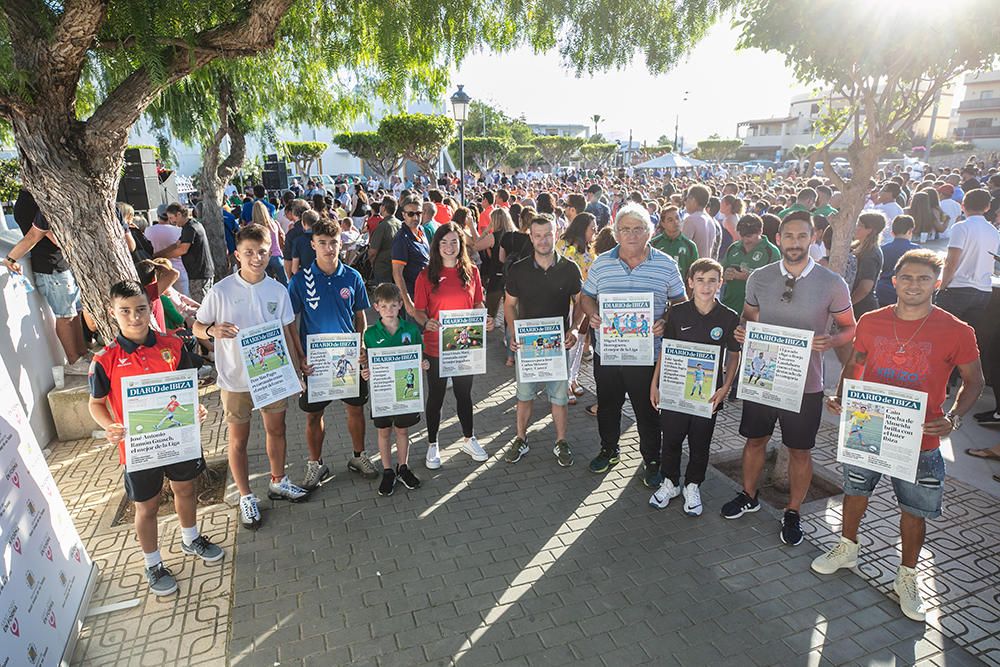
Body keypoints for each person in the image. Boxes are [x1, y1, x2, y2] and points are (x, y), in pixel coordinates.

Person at [813, 249, 984, 622]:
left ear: (936, 284)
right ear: (895, 281)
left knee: (913, 509)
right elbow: (855, 364)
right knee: (855, 491)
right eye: (906, 277)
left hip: (919, 436)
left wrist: (953, 420)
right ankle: (847, 548)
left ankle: (907, 576)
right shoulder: (872, 321)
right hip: (868, 425)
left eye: (923, 279)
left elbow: (974, 382)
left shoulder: (957, 330)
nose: (913, 285)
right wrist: (842, 397)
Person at [722, 210, 856, 546]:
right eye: (789, 236)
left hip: (805, 384)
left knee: (799, 450)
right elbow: (749, 317)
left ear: (813, 238)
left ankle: (793, 510)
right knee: (754, 440)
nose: (795, 243)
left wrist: (832, 340)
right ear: (778, 239)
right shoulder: (760, 278)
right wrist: (743, 332)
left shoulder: (832, 283)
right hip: (762, 376)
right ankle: (749, 495)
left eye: (802, 236)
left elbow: (850, 328)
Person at [89, 280, 222, 596]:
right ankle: (153, 564)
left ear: (151, 308)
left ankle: (190, 538)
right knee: (146, 506)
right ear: (112, 313)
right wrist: (109, 425)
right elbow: (96, 404)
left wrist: (197, 408)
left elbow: (188, 388)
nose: (134, 317)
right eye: (125, 311)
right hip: (138, 447)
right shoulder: (104, 359)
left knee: (185, 488)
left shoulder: (173, 345)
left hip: (177, 439)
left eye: (140, 309)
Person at [193, 224, 309, 530]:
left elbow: (288, 330)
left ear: (270, 250)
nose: (256, 258)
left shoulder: (278, 290)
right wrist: (211, 331)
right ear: (237, 255)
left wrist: (296, 371)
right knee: (238, 440)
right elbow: (197, 326)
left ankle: (278, 480)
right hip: (235, 378)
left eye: (262, 251)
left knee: (277, 430)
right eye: (249, 252)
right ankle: (245, 495)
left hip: (271, 376)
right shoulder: (221, 291)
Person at [579, 203, 686, 482]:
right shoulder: (601, 262)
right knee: (608, 406)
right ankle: (609, 450)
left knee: (647, 411)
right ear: (616, 233)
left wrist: (666, 320)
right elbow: (586, 296)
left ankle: (652, 459)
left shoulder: (666, 264)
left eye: (638, 229)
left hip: (647, 355)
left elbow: (681, 302)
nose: (632, 235)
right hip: (609, 352)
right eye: (625, 229)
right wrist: (592, 314)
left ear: (649, 232)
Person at [287, 220, 377, 490]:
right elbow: (290, 322)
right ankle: (316, 463)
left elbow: (361, 316)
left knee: (355, 409)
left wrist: (362, 347)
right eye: (322, 243)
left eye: (333, 242)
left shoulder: (353, 277)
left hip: (347, 358)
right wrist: (300, 356)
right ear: (312, 245)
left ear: (341, 243)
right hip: (315, 362)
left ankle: (359, 456)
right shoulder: (300, 280)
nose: (328, 248)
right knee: (314, 416)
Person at [648, 258, 740, 516]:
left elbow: (734, 354)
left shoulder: (729, 317)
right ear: (690, 282)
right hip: (675, 389)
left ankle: (692, 485)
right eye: (700, 280)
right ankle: (670, 482)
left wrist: (726, 387)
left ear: (720, 283)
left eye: (712, 280)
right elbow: (666, 351)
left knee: (700, 442)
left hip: (709, 393)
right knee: (672, 438)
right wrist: (655, 383)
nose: (706, 286)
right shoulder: (677, 314)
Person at [503, 215, 584, 466]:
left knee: (559, 398)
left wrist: (574, 327)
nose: (543, 240)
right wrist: (514, 332)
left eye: (547, 234)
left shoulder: (570, 268)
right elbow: (509, 305)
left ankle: (561, 441)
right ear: (531, 237)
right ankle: (521, 438)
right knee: (524, 396)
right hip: (528, 346)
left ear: (556, 234)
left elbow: (579, 301)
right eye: (537, 235)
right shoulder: (518, 269)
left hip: (557, 344)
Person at [414, 223, 493, 469]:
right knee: (436, 397)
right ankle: (432, 444)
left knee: (463, 394)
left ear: (461, 245)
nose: (449, 247)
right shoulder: (426, 275)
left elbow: (478, 303)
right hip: (436, 347)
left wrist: (485, 318)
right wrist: (426, 322)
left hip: (464, 347)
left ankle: (469, 438)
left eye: (454, 242)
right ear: (437, 246)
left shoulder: (471, 272)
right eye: (444, 242)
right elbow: (418, 310)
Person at [5, 190, 89, 373]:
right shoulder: (32, 202)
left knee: (75, 312)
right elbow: (43, 236)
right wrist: (10, 259)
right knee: (66, 315)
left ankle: (82, 352)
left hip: (57, 265)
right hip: (51, 267)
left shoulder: (31, 200)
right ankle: (74, 361)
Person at [361, 283, 428, 496]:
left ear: (400, 305)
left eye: (393, 305)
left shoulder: (410, 330)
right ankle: (388, 470)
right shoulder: (370, 334)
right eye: (384, 306)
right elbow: (367, 362)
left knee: (402, 430)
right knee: (383, 431)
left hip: (404, 391)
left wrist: (422, 364)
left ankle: (403, 467)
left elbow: (419, 355)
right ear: (376, 307)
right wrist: (366, 371)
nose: (389, 310)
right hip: (383, 393)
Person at [937, 189, 999, 329]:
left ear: (963, 205)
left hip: (958, 288)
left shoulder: (961, 227)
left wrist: (942, 287)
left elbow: (951, 262)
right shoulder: (993, 231)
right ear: (987, 207)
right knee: (968, 336)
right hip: (984, 290)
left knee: (945, 332)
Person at [557, 212, 597, 404]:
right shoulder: (564, 245)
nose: (595, 231)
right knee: (569, 342)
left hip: (586, 302)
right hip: (568, 302)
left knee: (580, 342)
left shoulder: (589, 249)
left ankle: (572, 378)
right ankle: (563, 382)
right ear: (582, 228)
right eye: (592, 227)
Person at [720, 214, 779, 315]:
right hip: (729, 306)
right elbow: (720, 273)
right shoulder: (733, 248)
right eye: (742, 236)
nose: (745, 240)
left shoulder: (771, 252)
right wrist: (724, 275)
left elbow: (776, 284)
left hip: (756, 312)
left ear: (760, 231)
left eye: (749, 236)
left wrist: (748, 277)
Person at [156, 203, 215, 302]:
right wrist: (158, 254)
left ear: (179, 214)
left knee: (202, 304)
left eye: (171, 218)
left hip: (199, 273)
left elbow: (182, 249)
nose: (170, 221)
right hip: (201, 272)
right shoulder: (191, 225)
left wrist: (164, 257)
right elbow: (176, 245)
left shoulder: (189, 228)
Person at [391, 194, 431, 317]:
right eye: (410, 214)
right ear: (403, 215)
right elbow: (397, 273)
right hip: (413, 295)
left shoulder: (422, 231)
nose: (415, 217)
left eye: (418, 213)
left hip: (426, 292)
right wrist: (408, 302)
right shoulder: (401, 238)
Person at [875, 215, 919, 307]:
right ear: (910, 231)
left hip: (882, 291)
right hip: (905, 292)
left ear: (892, 232)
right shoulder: (916, 250)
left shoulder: (883, 249)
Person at [651, 205, 699, 283]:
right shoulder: (653, 244)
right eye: (670, 220)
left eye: (677, 218)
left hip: (681, 292)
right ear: (663, 223)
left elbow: (694, 273)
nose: (675, 222)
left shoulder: (690, 246)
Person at [367, 196, 400, 285]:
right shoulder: (399, 223)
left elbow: (373, 251)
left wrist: (371, 261)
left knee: (384, 294)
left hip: (383, 265)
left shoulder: (383, 226)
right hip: (396, 264)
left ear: (384, 208)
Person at [681, 184, 717, 261]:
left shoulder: (691, 220)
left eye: (687, 198)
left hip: (693, 268)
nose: (685, 202)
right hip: (706, 266)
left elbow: (682, 248)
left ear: (693, 200)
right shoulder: (710, 220)